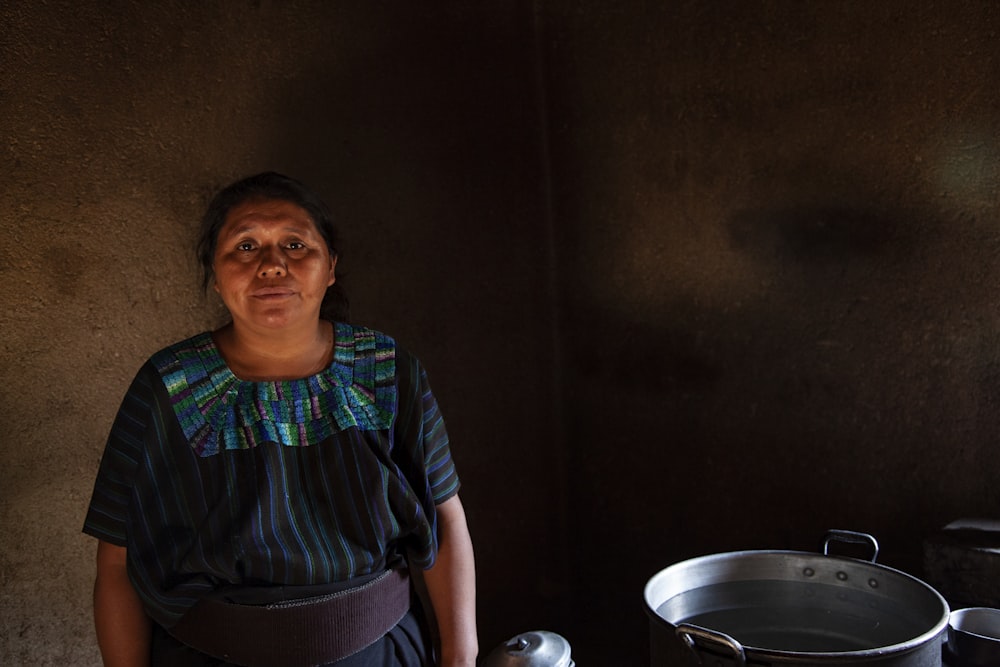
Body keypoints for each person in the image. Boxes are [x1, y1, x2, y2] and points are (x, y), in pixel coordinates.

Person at [83, 172, 477, 667]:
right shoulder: (169, 385)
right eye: (245, 246)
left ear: (330, 266)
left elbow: (445, 516)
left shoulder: (387, 370)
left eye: (295, 244)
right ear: (216, 269)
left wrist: (461, 658)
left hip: (378, 653)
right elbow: (117, 561)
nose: (272, 265)